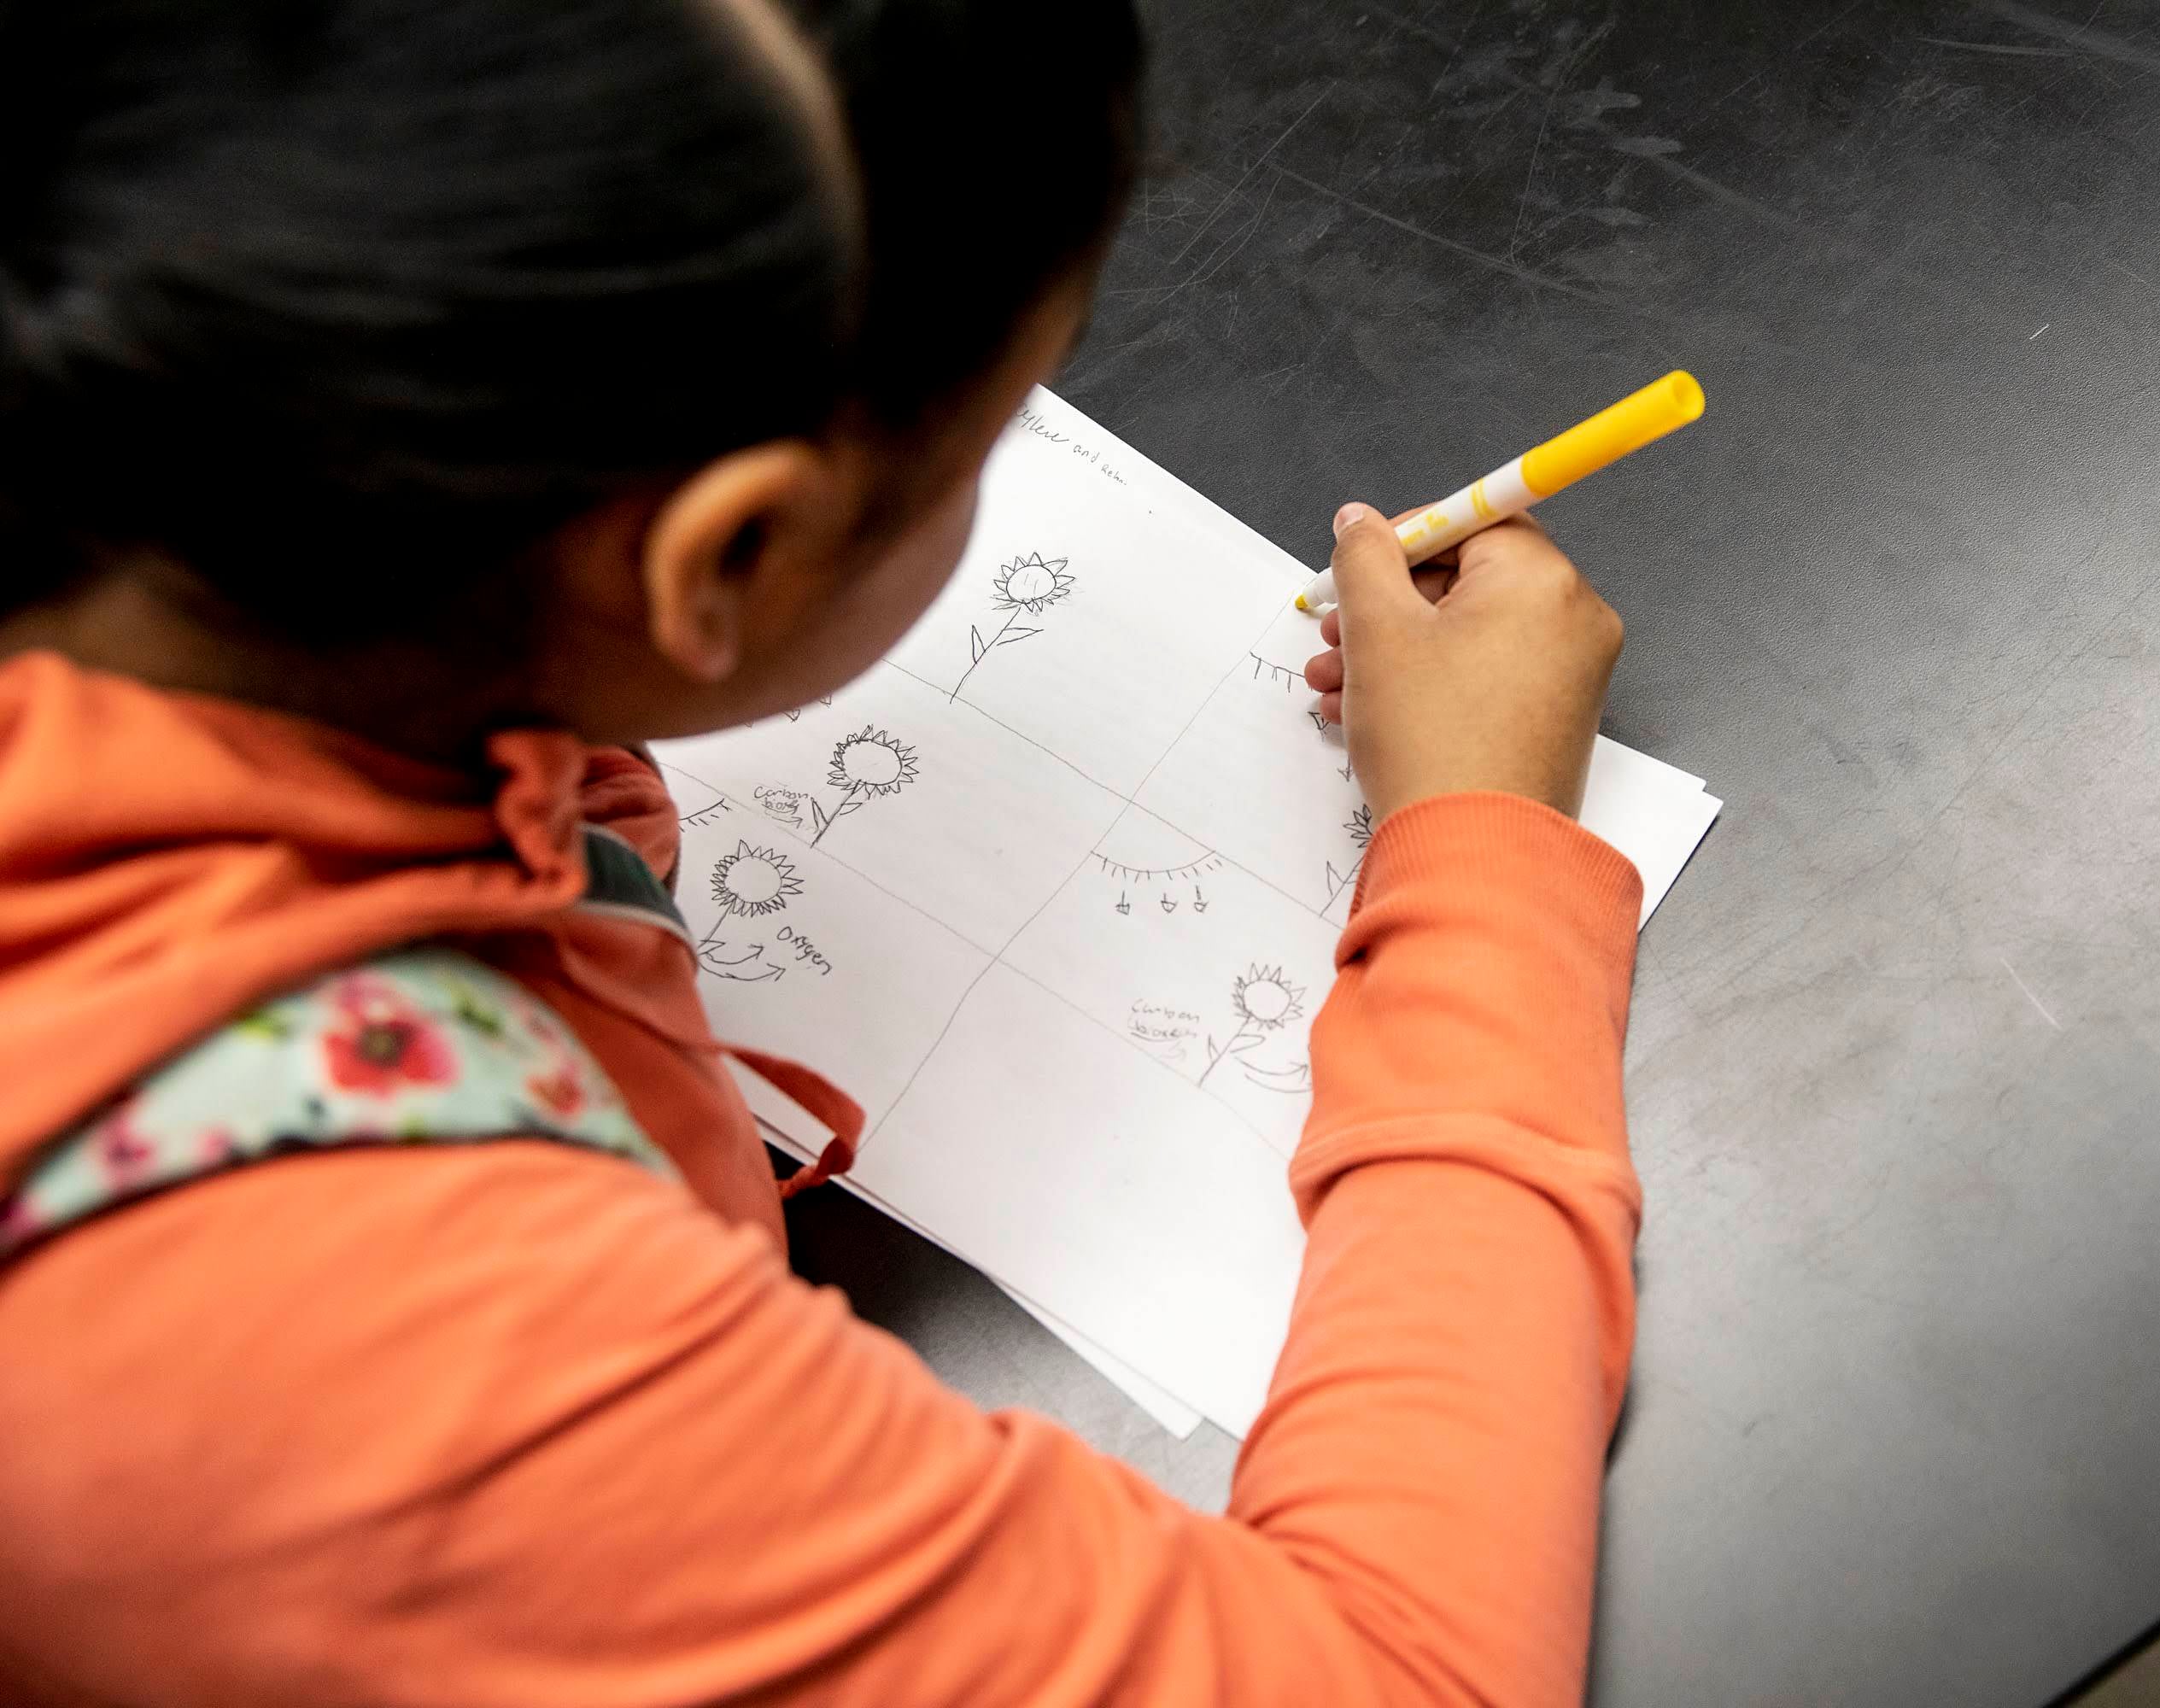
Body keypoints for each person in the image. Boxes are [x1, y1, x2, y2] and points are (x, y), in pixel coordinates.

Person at [0, 2, 1642, 1703]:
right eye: (997, 431)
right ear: (731, 552)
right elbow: (1400, 1674)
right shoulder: (370, 1346)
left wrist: (562, 771)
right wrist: (1483, 848)